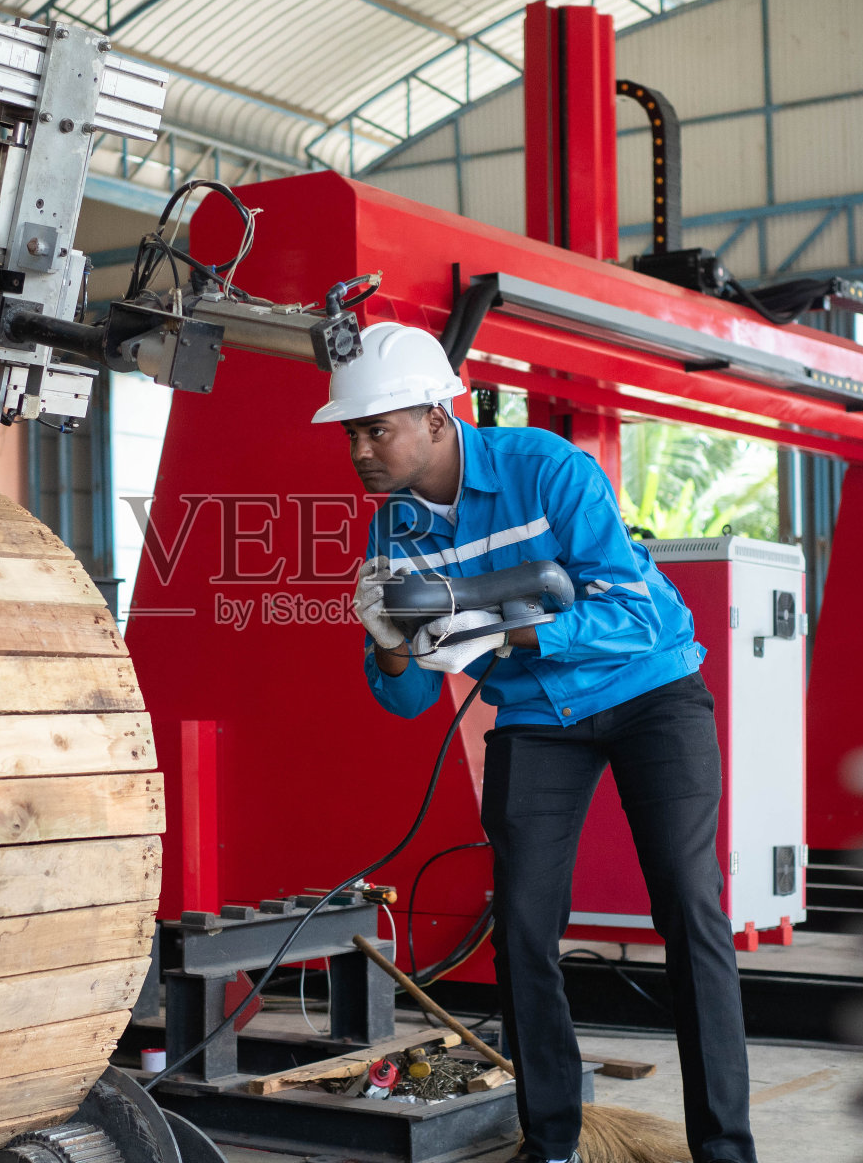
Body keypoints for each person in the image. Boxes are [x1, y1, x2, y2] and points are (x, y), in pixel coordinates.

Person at [318, 322, 758, 1163]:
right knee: (521, 925)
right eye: (352, 434)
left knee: (689, 907)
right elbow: (411, 699)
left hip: (651, 693)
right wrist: (387, 642)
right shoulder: (393, 535)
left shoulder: (548, 469)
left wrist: (499, 635)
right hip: (536, 721)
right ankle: (551, 1142)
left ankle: (725, 1151)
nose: (361, 451)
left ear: (438, 419)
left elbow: (631, 614)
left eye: (377, 430)